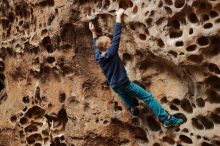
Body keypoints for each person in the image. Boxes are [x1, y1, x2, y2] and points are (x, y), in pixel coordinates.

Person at [89, 8, 184, 127]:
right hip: (124, 84)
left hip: (115, 86)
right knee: (148, 97)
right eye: (109, 43)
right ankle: (167, 119)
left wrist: (93, 32)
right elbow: (117, 36)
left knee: (124, 95)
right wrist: (118, 16)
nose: (111, 43)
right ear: (106, 46)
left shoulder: (98, 56)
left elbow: (95, 46)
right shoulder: (111, 52)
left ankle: (133, 110)